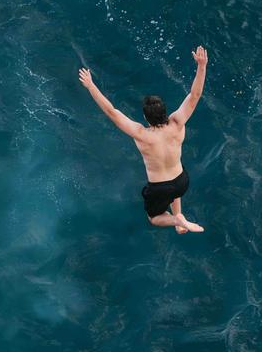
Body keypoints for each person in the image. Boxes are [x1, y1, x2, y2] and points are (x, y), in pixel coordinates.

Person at [78, 46, 208, 234]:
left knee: (154, 218)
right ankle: (180, 217)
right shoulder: (178, 123)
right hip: (181, 181)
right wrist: (202, 66)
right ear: (165, 112)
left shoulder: (141, 134)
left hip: (159, 188)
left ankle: (178, 221)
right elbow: (195, 95)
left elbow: (111, 112)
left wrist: (91, 86)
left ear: (146, 118)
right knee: (174, 191)